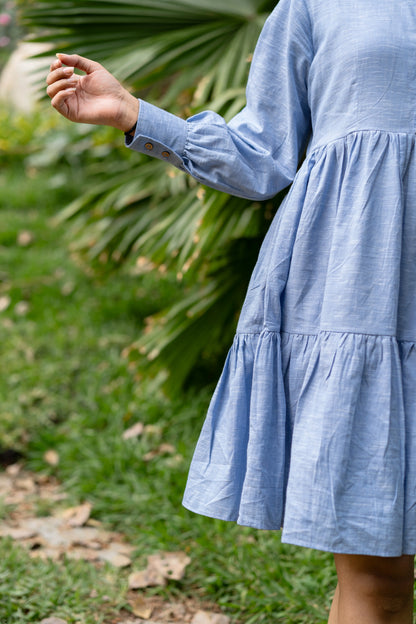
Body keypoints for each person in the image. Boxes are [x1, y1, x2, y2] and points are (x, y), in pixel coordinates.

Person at [46, 0, 416, 621]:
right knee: (379, 578)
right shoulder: (318, 6)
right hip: (363, 293)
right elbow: (264, 154)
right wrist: (137, 114)